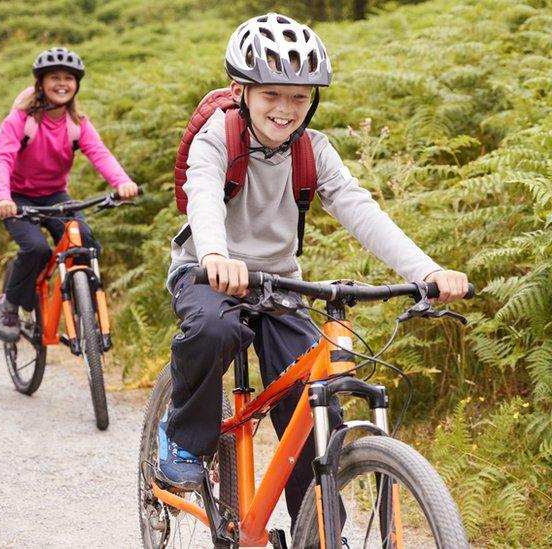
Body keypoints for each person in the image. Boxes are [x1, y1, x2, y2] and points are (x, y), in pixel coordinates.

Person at [157, 13, 470, 524]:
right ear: (242, 91)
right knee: (214, 329)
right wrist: (215, 254)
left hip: (278, 284)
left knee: (311, 395)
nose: (285, 110)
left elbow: (361, 210)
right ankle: (183, 439)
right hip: (205, 273)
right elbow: (203, 193)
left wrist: (429, 270)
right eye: (271, 95)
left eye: (299, 97)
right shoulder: (217, 136)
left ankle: (320, 529)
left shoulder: (312, 149)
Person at [0, 47, 139, 342]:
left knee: (84, 241)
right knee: (36, 249)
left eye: (68, 78)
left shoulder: (77, 123)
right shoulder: (21, 120)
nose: (62, 84)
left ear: (77, 84)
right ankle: (9, 304)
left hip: (55, 195)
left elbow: (100, 154)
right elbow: (2, 158)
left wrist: (123, 182)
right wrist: (3, 198)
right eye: (54, 78)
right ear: (41, 84)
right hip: (18, 197)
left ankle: (86, 308)